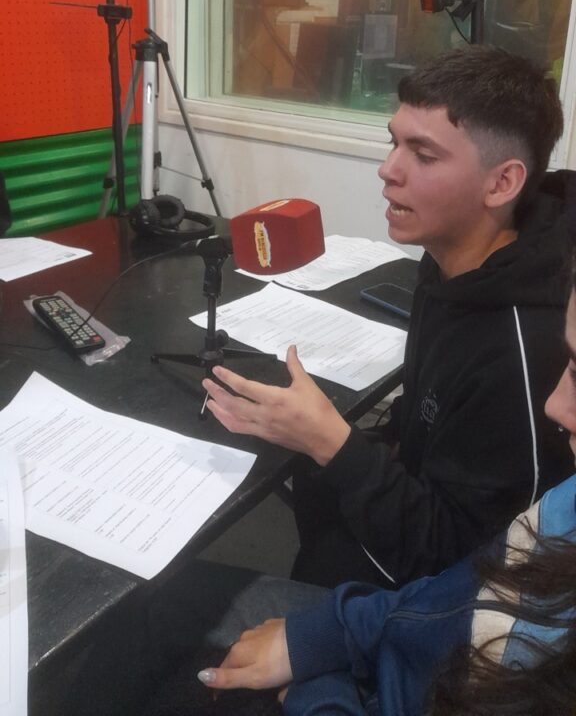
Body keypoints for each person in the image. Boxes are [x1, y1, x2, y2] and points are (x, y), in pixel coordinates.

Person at [201, 47, 572, 589]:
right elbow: (423, 418)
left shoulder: (527, 349)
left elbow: (467, 564)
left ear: (501, 183)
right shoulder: (449, 261)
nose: (387, 170)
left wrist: (333, 443)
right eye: (393, 142)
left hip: (441, 595)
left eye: (423, 155)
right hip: (408, 519)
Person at [144, 260, 576, 716]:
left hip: (369, 682)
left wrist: (319, 687)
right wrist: (324, 635)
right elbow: (458, 593)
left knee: (162, 611)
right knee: (175, 596)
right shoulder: (566, 502)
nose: (553, 405)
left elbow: (448, 557)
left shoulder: (514, 349)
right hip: (396, 634)